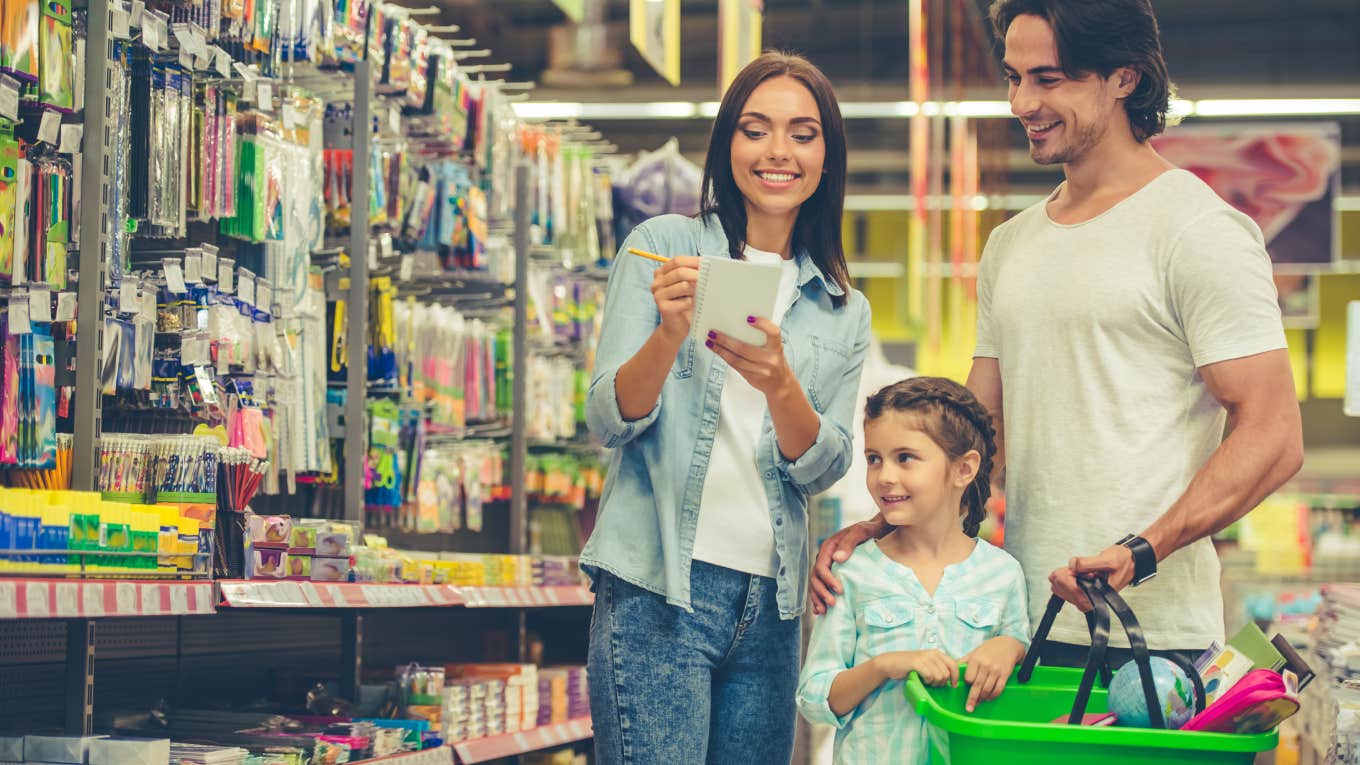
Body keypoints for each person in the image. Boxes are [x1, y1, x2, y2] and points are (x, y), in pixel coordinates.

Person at [811, 0, 1303, 669]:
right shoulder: (1012, 245)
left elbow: (1274, 435)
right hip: (1020, 628)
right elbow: (975, 433)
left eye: (1048, 79)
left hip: (1153, 643)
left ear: (1123, 77)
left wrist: (1141, 550)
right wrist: (891, 521)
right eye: (1014, 77)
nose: (1020, 101)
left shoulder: (1196, 229)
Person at [582, 51, 872, 764]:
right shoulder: (662, 249)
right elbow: (608, 416)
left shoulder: (843, 308)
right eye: (756, 129)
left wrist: (780, 384)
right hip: (658, 589)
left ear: (827, 156)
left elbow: (823, 465)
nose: (778, 151)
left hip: (772, 606)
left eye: (803, 134)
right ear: (727, 146)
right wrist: (670, 335)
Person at [797, 378, 1028, 763]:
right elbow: (815, 697)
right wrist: (884, 666)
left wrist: (1011, 647)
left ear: (963, 469)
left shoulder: (1003, 574)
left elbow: (1018, 645)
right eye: (874, 458)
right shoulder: (852, 572)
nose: (885, 475)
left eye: (905, 457)